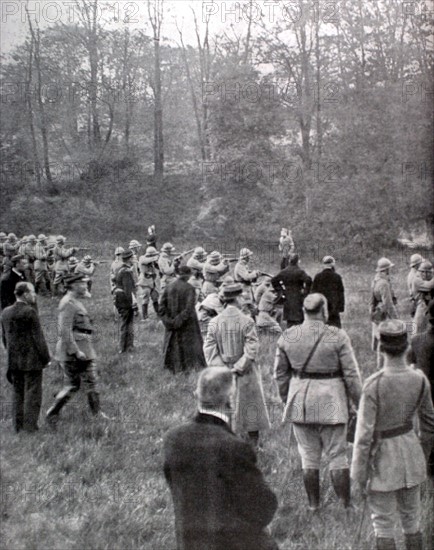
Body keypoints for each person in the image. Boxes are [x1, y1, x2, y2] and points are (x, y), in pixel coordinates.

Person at [163, 366, 278, 550]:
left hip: (188, 541)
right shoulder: (234, 447)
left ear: (197, 394)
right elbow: (263, 507)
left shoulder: (173, 438)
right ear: (230, 401)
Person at [351, 320, 434, 550]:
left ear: (380, 347)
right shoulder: (420, 379)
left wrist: (358, 474)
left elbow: (363, 437)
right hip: (411, 454)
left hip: (382, 460)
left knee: (383, 525)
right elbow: (429, 426)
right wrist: (421, 455)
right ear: (407, 347)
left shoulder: (373, 385)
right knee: (412, 521)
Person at [274, 293, 362, 510]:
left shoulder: (288, 336)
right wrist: (359, 404)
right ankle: (345, 506)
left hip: (300, 399)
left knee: (308, 457)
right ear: (324, 310)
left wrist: (288, 398)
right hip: (331, 399)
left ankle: (314, 506)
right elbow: (351, 375)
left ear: (304, 311)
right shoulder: (337, 336)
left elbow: (280, 374)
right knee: (337, 455)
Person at [204, 281, 270, 448]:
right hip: (246, 371)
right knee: (251, 406)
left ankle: (228, 443)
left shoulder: (214, 322)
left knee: (225, 407)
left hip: (223, 370)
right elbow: (252, 349)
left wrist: (223, 368)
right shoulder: (247, 321)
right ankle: (254, 445)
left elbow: (209, 349)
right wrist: (239, 367)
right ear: (238, 298)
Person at [45, 273, 104, 424]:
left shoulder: (74, 301)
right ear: (74, 285)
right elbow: (64, 330)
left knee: (87, 382)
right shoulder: (68, 303)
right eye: (82, 283)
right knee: (74, 385)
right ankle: (52, 413)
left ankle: (96, 414)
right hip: (75, 351)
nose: (85, 286)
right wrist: (76, 351)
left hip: (82, 347)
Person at [1, 282, 50, 432]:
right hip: (32, 360)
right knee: (32, 393)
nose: (35, 295)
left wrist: (11, 352)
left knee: (17, 393)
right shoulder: (30, 312)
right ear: (25, 294)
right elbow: (38, 337)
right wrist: (46, 358)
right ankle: (30, 427)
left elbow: (4, 338)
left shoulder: (5, 312)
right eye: (33, 292)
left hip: (14, 360)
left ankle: (17, 426)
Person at [159, 266, 206, 373]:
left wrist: (169, 321)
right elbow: (189, 308)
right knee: (189, 347)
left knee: (172, 345)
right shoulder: (190, 288)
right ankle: (190, 368)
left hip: (171, 323)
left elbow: (161, 308)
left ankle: (172, 367)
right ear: (188, 275)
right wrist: (179, 320)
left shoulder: (168, 287)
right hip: (187, 324)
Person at [408, 299, 434, 476]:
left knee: (426, 430)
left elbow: (409, 362)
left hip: (426, 390)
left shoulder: (417, 340)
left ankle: (426, 464)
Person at [271, 254, 312, 328]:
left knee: (289, 320)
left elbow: (274, 280)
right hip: (298, 296)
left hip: (287, 295)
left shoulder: (284, 271)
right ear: (297, 261)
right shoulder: (300, 271)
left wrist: (280, 290)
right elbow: (308, 280)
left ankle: (290, 335)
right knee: (299, 319)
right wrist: (305, 293)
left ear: (289, 261)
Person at [370, 257, 398, 352]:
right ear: (386, 270)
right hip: (383, 313)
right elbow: (388, 304)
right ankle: (380, 360)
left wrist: (371, 312)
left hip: (377, 311)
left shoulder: (375, 281)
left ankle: (375, 351)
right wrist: (396, 319)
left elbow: (372, 300)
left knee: (377, 333)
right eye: (389, 269)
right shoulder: (384, 283)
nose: (390, 270)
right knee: (384, 338)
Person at [311, 256, 345, 328]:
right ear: (332, 264)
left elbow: (313, 293)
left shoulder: (318, 277)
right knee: (335, 330)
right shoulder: (337, 277)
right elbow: (341, 293)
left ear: (323, 264)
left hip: (321, 308)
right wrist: (341, 307)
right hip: (334, 308)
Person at [113, 250, 136, 354]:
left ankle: (126, 346)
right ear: (129, 259)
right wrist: (133, 305)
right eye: (133, 258)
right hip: (125, 301)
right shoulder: (127, 271)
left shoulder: (119, 268)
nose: (134, 259)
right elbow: (128, 290)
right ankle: (125, 347)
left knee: (125, 323)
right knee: (127, 323)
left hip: (119, 299)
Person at [138, 246, 160, 320]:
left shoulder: (152, 260)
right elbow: (146, 261)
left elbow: (158, 267)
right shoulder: (142, 258)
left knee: (155, 297)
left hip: (151, 281)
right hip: (144, 282)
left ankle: (159, 315)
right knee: (145, 299)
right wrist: (155, 257)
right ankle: (145, 317)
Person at [412, 260, 434, 334]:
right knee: (417, 328)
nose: (429, 274)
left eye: (430, 272)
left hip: (427, 306)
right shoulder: (416, 280)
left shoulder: (428, 279)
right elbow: (428, 286)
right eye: (428, 272)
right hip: (420, 306)